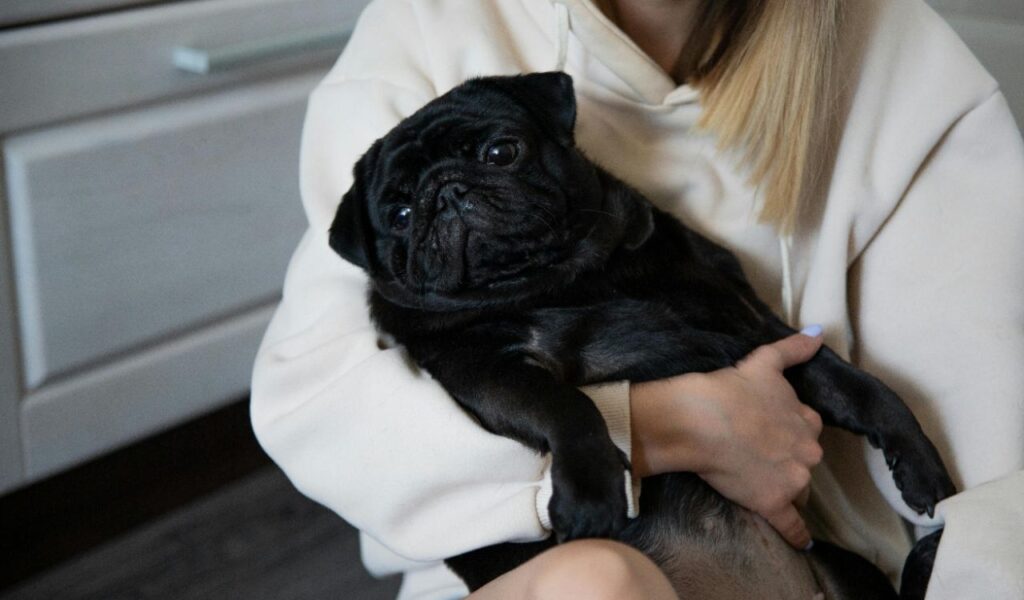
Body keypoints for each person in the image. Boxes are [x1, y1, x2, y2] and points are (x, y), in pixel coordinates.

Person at [250, 0, 1024, 598]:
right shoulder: (428, 26)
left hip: (813, 558)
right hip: (544, 563)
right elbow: (318, 409)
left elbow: (991, 450)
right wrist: (669, 427)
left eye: (499, 155)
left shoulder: (898, 60)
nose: (455, 201)